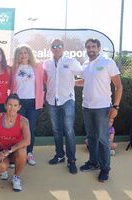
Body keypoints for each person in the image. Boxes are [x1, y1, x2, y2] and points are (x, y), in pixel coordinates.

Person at [78, 38, 123, 182]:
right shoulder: (85, 64)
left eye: (93, 46)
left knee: (103, 140)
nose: (91, 49)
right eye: (88, 47)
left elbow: (119, 86)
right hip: (87, 107)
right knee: (91, 137)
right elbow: (84, 82)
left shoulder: (107, 62)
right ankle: (93, 162)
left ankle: (105, 169)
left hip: (103, 108)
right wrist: (67, 82)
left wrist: (115, 106)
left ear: (98, 48)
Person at [43, 39, 82, 174]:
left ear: (63, 48)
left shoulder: (71, 61)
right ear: (51, 48)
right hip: (51, 101)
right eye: (54, 46)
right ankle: (60, 155)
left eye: (59, 46)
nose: (57, 48)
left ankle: (71, 160)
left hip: (67, 101)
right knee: (56, 130)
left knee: (69, 131)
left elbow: (84, 74)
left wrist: (73, 83)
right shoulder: (46, 64)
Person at [0, 93, 30, 192]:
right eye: (10, 105)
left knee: (23, 151)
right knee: (1, 167)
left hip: (14, 151)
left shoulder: (23, 121)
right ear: (5, 105)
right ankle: (3, 170)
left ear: (19, 107)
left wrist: (10, 151)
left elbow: (27, 140)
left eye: (15, 105)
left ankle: (16, 177)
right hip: (1, 152)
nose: (12, 108)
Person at [11, 44, 44, 166]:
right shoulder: (14, 68)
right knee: (17, 129)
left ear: (29, 54)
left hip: (33, 102)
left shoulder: (37, 67)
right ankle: (16, 154)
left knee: (30, 129)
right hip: (18, 103)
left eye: (25, 52)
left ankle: (29, 153)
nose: (23, 55)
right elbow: (10, 85)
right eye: (20, 53)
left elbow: (45, 81)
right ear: (17, 55)